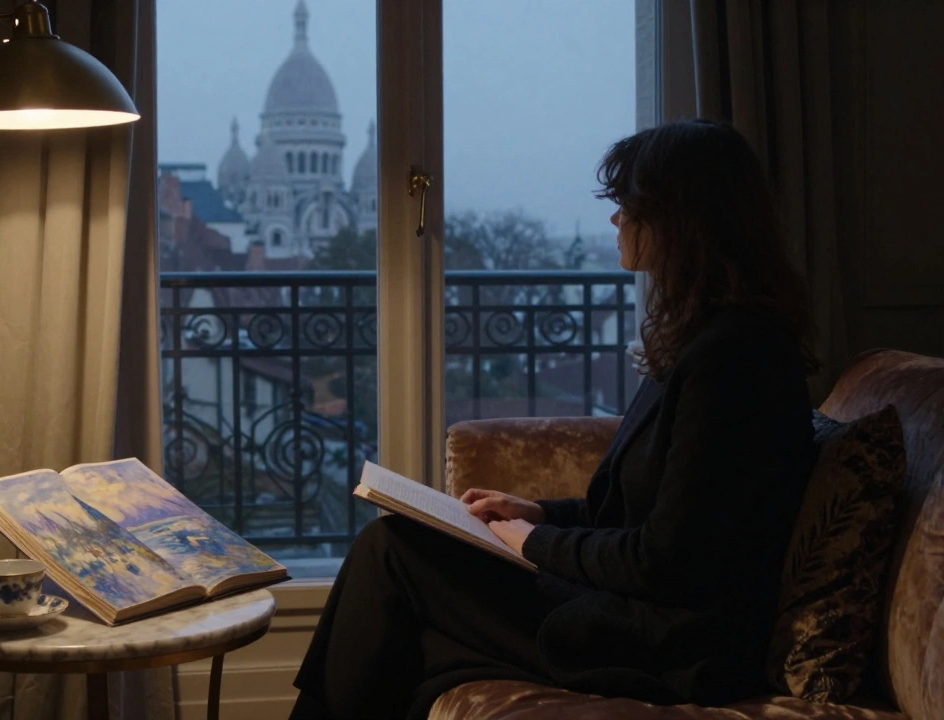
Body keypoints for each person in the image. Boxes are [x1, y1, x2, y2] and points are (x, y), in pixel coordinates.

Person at [288, 119, 820, 720]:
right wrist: (536, 512)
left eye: (628, 205)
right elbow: (639, 514)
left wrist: (536, 543)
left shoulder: (735, 359)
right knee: (404, 587)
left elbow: (669, 560)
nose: (616, 219)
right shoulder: (702, 340)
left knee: (391, 553)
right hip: (632, 606)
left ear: (682, 221)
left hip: (672, 643)